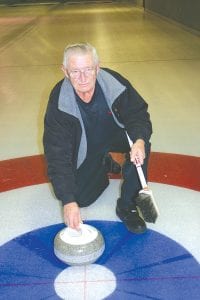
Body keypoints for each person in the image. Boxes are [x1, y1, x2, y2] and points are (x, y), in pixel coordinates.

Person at [43, 43, 152, 234]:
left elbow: (138, 115)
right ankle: (105, 164)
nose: (83, 78)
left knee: (141, 148)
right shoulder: (60, 103)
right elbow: (57, 154)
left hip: (117, 135)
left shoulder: (114, 83)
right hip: (87, 146)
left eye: (88, 69)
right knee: (81, 199)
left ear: (97, 67)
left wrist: (140, 141)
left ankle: (127, 206)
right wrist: (68, 201)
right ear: (65, 72)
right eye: (75, 71)